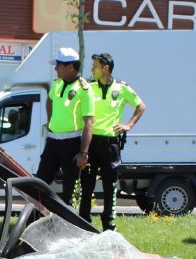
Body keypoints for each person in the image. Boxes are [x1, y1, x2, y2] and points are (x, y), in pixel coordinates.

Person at [82, 52, 145, 231]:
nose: (91, 69)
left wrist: (129, 125)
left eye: (95, 66)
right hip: (91, 143)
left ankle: (109, 225)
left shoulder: (121, 88)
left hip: (110, 145)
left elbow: (141, 106)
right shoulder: (89, 87)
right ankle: (84, 221)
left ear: (106, 68)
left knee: (110, 186)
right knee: (86, 184)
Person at [37, 48, 94, 206]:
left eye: (58, 65)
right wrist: (50, 121)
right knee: (39, 184)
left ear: (70, 67)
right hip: (53, 142)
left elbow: (89, 122)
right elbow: (49, 101)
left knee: (69, 191)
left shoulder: (84, 89)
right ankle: (35, 220)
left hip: (72, 145)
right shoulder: (57, 84)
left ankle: (70, 227)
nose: (55, 69)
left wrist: (83, 152)